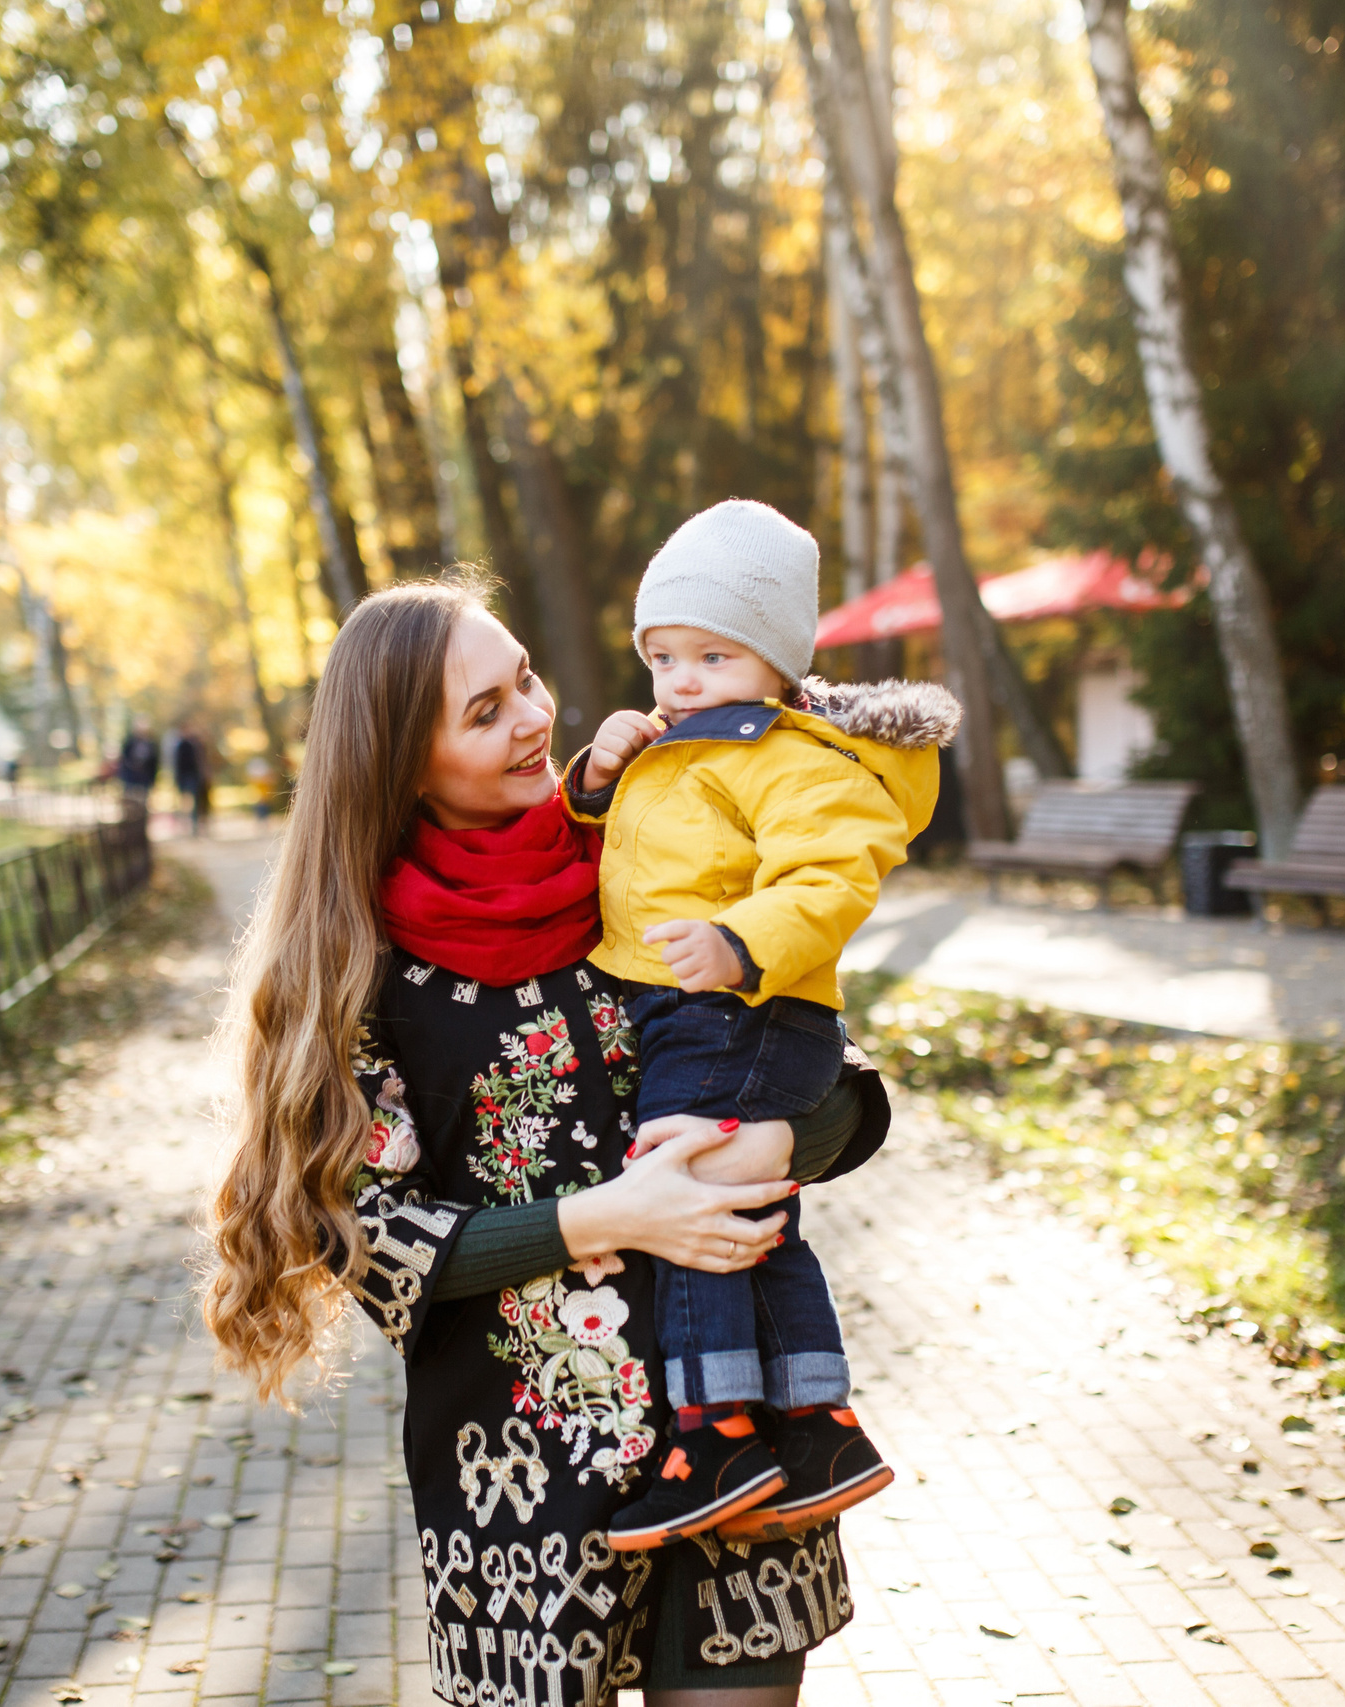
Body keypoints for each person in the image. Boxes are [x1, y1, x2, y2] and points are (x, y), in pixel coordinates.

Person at [206, 578, 890, 1707]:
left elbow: (846, 1092)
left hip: (737, 1441)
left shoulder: (648, 847)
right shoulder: (354, 964)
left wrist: (766, 1136)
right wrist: (609, 1217)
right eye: (485, 712)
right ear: (400, 764)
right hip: (516, 1481)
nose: (535, 717)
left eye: (524, 678)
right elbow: (362, 1238)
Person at [565, 500, 954, 1552]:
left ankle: (716, 1434)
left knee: (690, 1192)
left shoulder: (798, 758)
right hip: (691, 1007)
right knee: (745, 1205)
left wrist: (741, 941)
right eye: (662, 657)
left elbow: (831, 877)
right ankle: (819, 1426)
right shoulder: (687, 743)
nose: (681, 680)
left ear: (777, 662)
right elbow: (638, 852)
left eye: (712, 655)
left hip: (746, 1007)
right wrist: (595, 780)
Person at [169, 727, 210, 836]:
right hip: (184, 776)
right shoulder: (181, 746)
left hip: (193, 776)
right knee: (184, 801)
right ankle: (184, 824)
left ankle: (193, 824)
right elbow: (177, 763)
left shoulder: (195, 745)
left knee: (195, 801)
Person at [116, 717, 161, 801]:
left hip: (145, 778)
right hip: (131, 777)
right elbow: (124, 759)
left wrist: (153, 779)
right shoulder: (129, 742)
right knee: (130, 800)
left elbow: (154, 762)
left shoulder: (151, 744)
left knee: (142, 800)